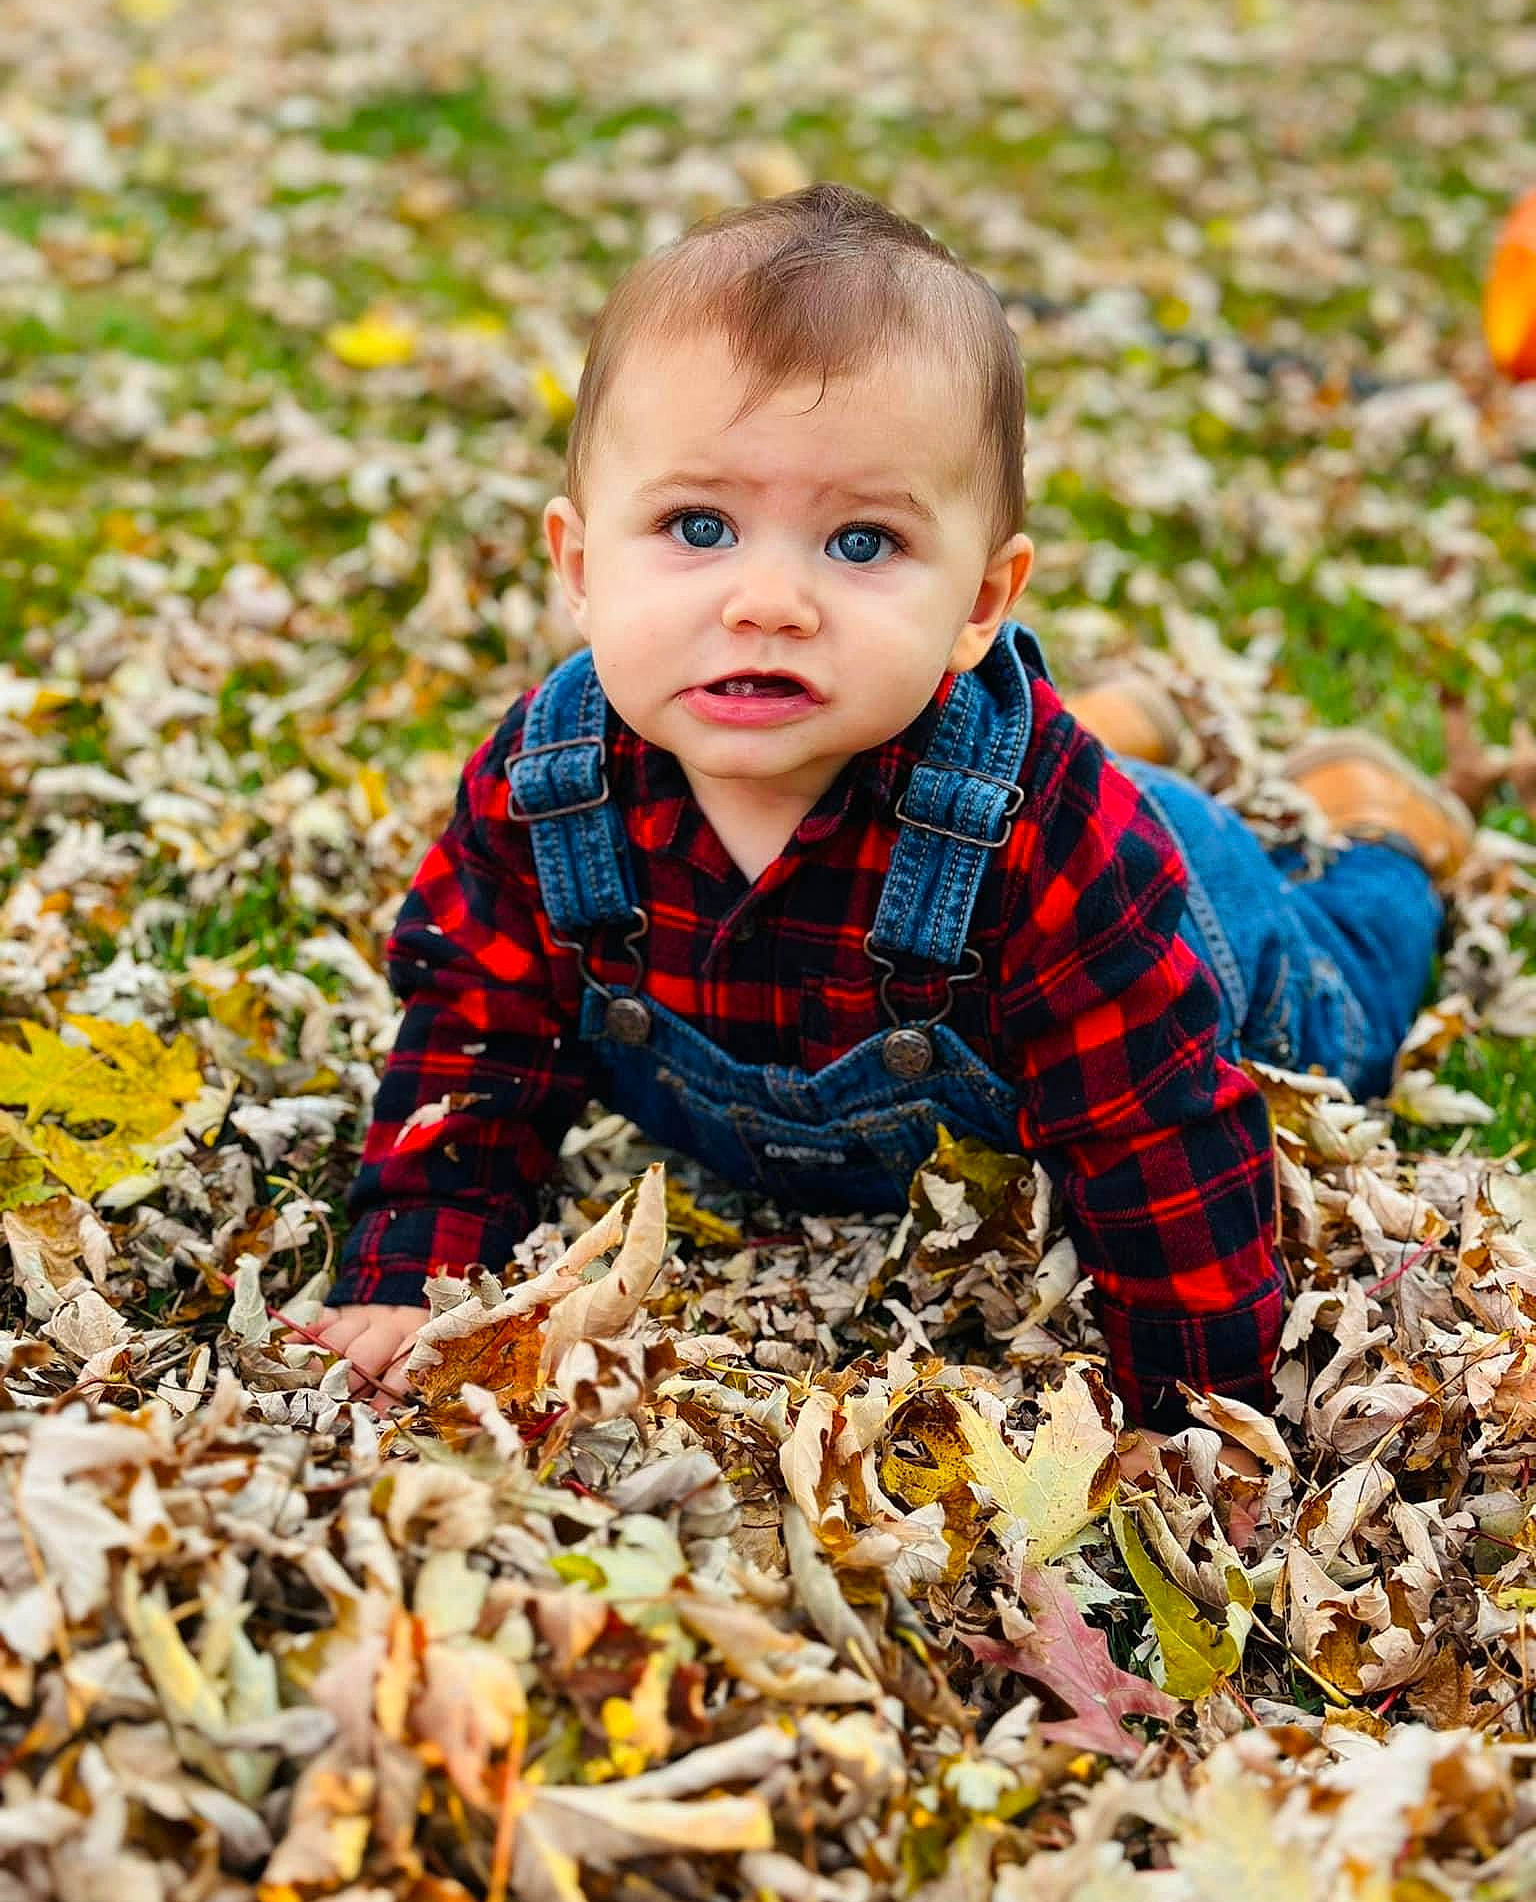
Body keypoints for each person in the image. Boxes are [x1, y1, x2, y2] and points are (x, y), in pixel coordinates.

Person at [313, 183, 1474, 1472]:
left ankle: (1383, 839)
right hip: (988, 826)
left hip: (1188, 922)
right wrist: (411, 1269)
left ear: (980, 599)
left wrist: (1195, 1415)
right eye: (698, 527)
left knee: (1344, 1007)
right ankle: (1121, 712)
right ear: (581, 565)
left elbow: (1154, 1132)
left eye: (861, 542)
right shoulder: (549, 781)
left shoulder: (1045, 839)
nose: (769, 600)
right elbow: (477, 1028)